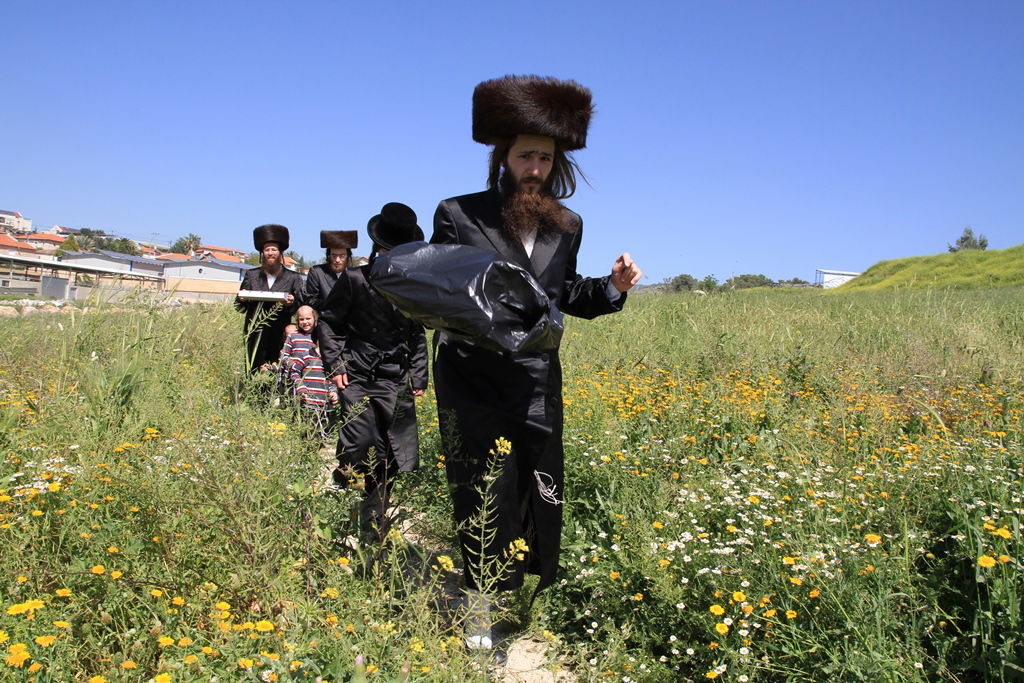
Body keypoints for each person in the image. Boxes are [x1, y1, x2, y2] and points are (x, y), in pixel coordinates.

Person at [429, 75, 642, 648]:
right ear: (502, 157)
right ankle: (479, 613)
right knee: (480, 489)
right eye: (525, 155)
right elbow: (443, 293)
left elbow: (566, 291)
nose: (534, 168)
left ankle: (523, 588)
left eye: (544, 158)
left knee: (534, 487)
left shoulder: (567, 224)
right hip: (472, 377)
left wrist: (614, 288)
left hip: (537, 380)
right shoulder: (458, 214)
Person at [320, 203, 429, 538]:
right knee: (360, 438)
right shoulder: (354, 279)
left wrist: (419, 373)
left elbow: (417, 333)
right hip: (356, 373)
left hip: (394, 376)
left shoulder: (413, 287)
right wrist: (336, 363)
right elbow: (329, 322)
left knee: (393, 447)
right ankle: (343, 483)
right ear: (379, 250)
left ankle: (375, 510)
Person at [235, 224, 304, 375]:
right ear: (262, 253)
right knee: (252, 369)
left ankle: (275, 398)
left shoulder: (293, 278)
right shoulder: (251, 275)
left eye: (274, 250)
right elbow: (239, 306)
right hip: (255, 330)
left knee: (277, 368)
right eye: (267, 250)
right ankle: (252, 397)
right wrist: (242, 298)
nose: (270, 253)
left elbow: (299, 307)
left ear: (280, 253)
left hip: (280, 331)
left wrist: (292, 302)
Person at [300, 230, 358, 373]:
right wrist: (333, 307)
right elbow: (310, 298)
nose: (337, 260)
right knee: (328, 370)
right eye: (334, 255)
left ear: (349, 256)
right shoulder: (317, 272)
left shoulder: (356, 273)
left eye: (342, 256)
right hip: (327, 330)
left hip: (352, 331)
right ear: (328, 256)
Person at [283, 306, 339, 442]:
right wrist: (294, 364)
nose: (305, 322)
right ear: (297, 321)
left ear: (315, 319)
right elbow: (283, 357)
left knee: (320, 416)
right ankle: (297, 438)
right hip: (297, 380)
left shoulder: (320, 335)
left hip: (318, 383)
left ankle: (321, 438)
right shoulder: (293, 336)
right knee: (298, 412)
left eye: (308, 318)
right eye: (301, 319)